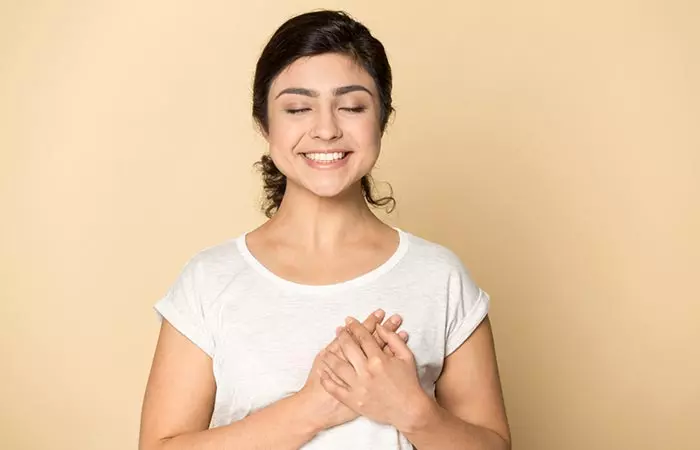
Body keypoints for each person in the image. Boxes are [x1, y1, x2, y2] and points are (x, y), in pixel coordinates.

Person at [139, 9, 510, 450]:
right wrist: (313, 407)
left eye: (352, 107)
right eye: (298, 108)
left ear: (382, 119)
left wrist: (411, 412)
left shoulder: (440, 275)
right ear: (265, 123)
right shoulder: (208, 280)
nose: (327, 129)